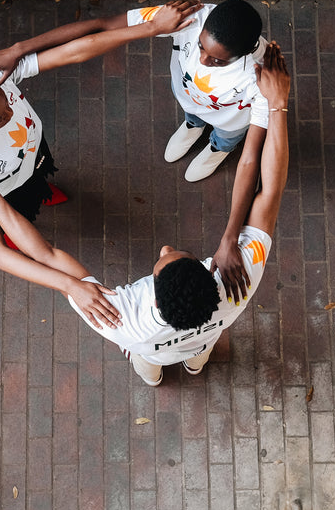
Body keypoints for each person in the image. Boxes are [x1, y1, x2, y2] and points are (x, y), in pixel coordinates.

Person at [0, 0, 270, 299]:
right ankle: (193, 127)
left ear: (244, 54)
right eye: (202, 49)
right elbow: (102, 26)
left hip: (229, 120)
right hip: (190, 101)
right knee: (193, 116)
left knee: (227, 137)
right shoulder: (191, 17)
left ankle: (218, 148)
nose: (204, 60)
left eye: (218, 61)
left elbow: (250, 161)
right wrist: (19, 48)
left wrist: (230, 238)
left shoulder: (262, 76)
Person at [0, 2, 197, 327]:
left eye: (7, 103)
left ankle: (44, 189)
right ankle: (33, 203)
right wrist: (69, 284)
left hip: (32, 155)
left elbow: (75, 51)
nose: (11, 113)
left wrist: (151, 28)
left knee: (41, 180)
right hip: (5, 194)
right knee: (20, 230)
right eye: (0, 119)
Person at [67, 42, 290, 385]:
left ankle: (156, 379)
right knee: (200, 354)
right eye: (177, 254)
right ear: (210, 274)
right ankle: (196, 366)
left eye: (161, 260)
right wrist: (275, 106)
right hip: (204, 339)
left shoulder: (123, 321)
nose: (165, 248)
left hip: (151, 350)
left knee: (148, 367)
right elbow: (271, 190)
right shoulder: (237, 284)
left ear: (154, 299)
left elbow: (51, 259)